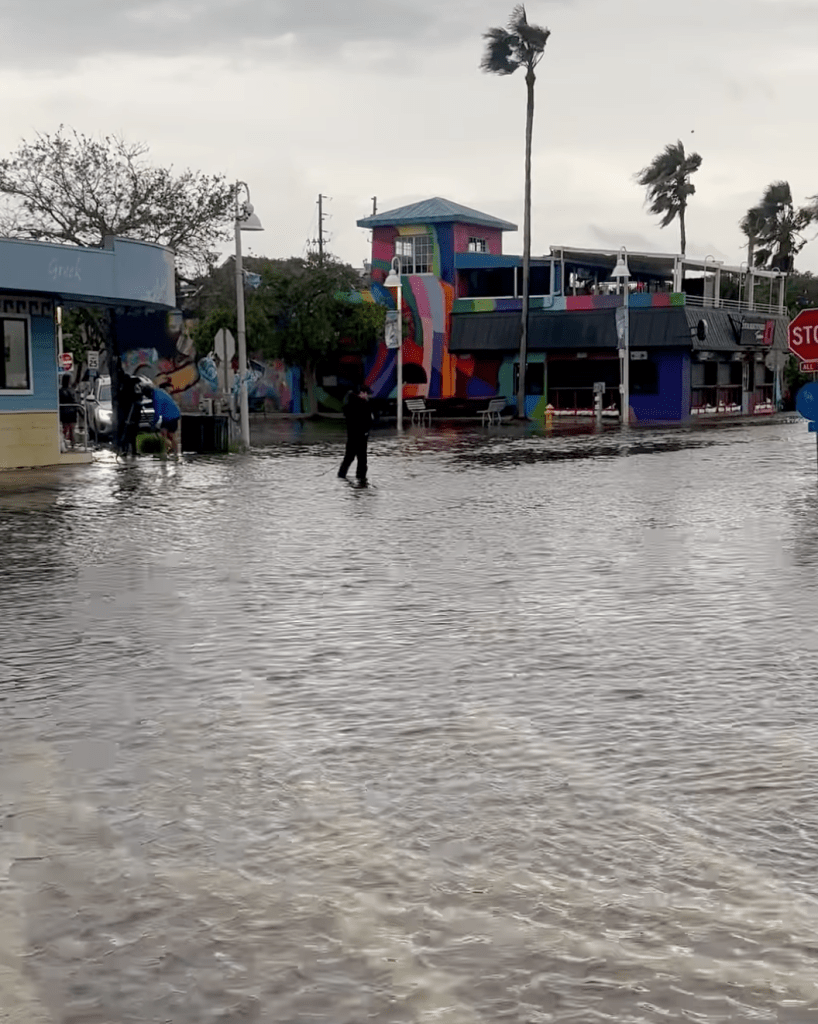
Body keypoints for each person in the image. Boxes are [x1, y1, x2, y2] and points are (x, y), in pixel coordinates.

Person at [338, 384, 372, 484]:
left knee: (350, 458)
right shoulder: (361, 405)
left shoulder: (351, 405)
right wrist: (365, 431)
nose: (366, 395)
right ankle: (361, 479)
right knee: (360, 460)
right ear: (361, 393)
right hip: (359, 436)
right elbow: (366, 421)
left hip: (354, 436)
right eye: (365, 393)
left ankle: (342, 476)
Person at [147, 380, 181, 456]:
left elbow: (157, 412)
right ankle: (173, 452)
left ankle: (168, 452)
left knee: (168, 434)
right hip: (173, 414)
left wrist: (153, 423)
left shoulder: (156, 397)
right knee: (168, 434)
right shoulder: (158, 392)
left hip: (171, 416)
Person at [58, 374, 78, 449]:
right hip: (71, 413)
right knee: (71, 430)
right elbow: (74, 401)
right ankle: (72, 444)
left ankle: (64, 443)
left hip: (64, 413)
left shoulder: (60, 391)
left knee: (65, 429)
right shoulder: (71, 390)